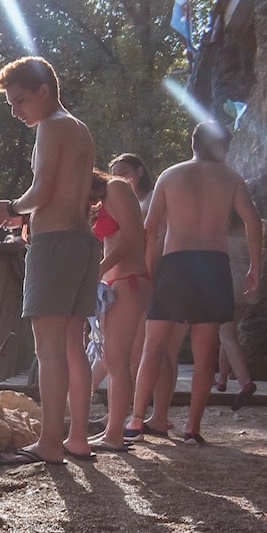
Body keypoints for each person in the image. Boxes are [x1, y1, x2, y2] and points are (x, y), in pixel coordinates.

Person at [0, 56, 99, 465]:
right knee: (73, 347)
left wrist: (12, 207)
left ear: (44, 92)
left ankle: (50, 443)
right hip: (84, 244)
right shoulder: (79, 129)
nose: (16, 112)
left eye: (20, 101)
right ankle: (78, 439)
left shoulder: (50, 126)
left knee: (48, 350)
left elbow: (43, 189)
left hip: (56, 245)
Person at [125, 121, 263, 445]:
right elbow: (253, 221)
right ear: (224, 149)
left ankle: (135, 420)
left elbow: (151, 229)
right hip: (213, 266)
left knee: (153, 345)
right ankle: (193, 428)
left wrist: (147, 271)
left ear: (193, 144)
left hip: (177, 264)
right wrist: (255, 267)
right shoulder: (231, 179)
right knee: (206, 352)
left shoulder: (170, 175)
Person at [86, 168, 150, 453]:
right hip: (115, 282)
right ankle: (112, 429)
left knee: (115, 358)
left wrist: (97, 271)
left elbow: (133, 237)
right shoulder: (103, 198)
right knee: (113, 359)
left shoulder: (117, 189)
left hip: (129, 280)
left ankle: (115, 434)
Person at [216, 214, 267, 407]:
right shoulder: (256, 224)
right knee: (230, 331)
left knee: (226, 335)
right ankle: (222, 379)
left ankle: (245, 381)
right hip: (247, 286)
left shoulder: (218, 226)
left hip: (225, 285)